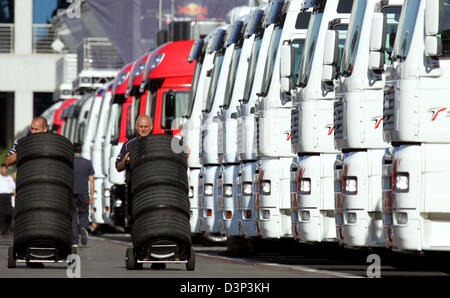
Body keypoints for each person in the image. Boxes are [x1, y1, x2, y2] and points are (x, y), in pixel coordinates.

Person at [116, 115, 165, 270]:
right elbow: (118, 166)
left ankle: (158, 256)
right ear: (136, 128)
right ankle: (138, 254)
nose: (143, 129)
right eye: (140, 127)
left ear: (151, 127)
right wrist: (125, 161)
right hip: (134, 189)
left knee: (155, 220)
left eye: (146, 127)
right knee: (135, 222)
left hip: (154, 189)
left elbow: (178, 150)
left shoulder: (159, 142)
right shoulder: (128, 144)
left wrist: (184, 151)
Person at [72, 143, 95, 247]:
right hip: (84, 192)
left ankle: (75, 240)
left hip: (71, 192)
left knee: (72, 215)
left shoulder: (70, 162)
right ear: (81, 150)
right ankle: (83, 227)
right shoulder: (87, 163)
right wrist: (92, 194)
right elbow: (91, 180)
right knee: (84, 213)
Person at [0, 163, 15, 235]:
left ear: (7, 169)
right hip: (1, 196)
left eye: (5, 169)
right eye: (2, 168)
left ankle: (7, 228)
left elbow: (14, 188)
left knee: (9, 213)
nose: (3, 170)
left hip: (9, 196)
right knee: (2, 213)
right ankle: (3, 229)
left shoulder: (10, 178)